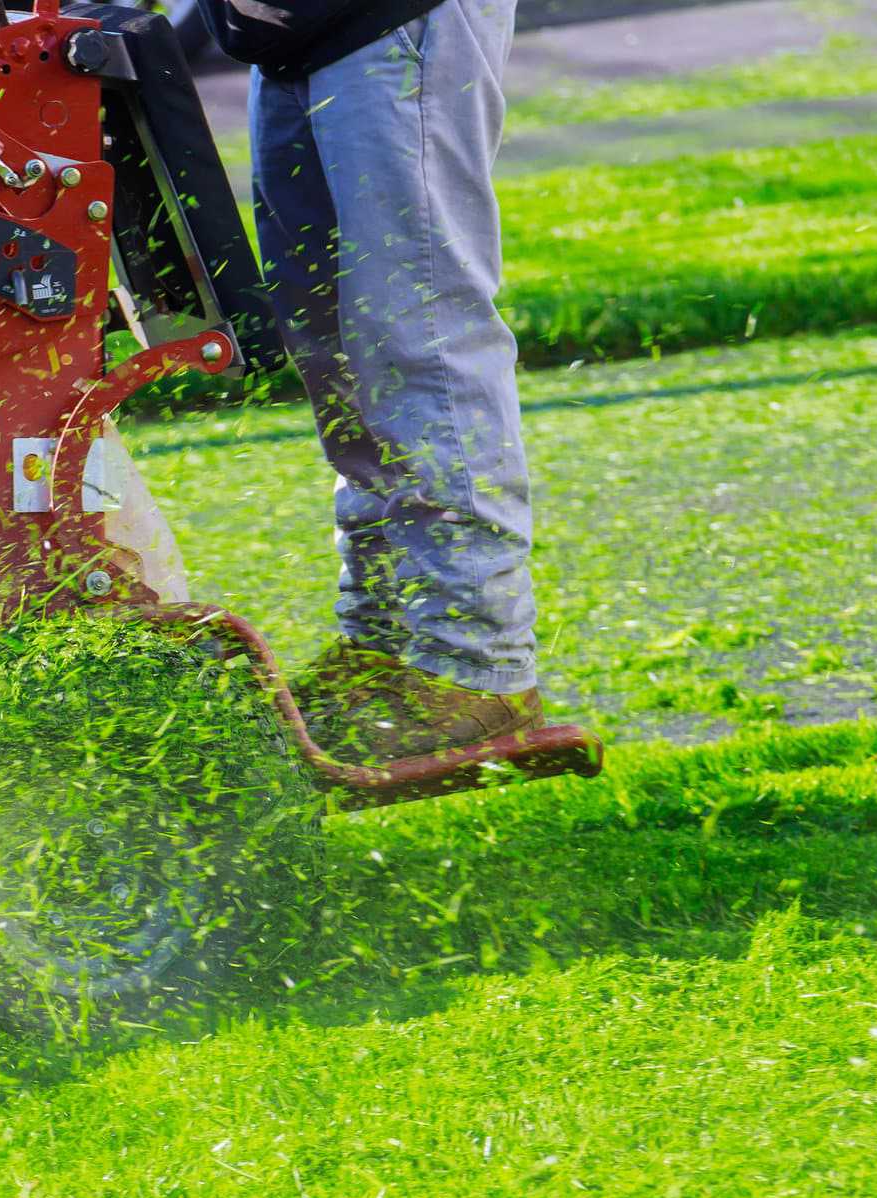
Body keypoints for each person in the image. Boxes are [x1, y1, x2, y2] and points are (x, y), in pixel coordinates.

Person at [212, 0, 542, 760]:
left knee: (415, 325)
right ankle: (386, 647)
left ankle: (478, 663)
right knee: (330, 342)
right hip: (291, 34)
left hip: (396, 19)